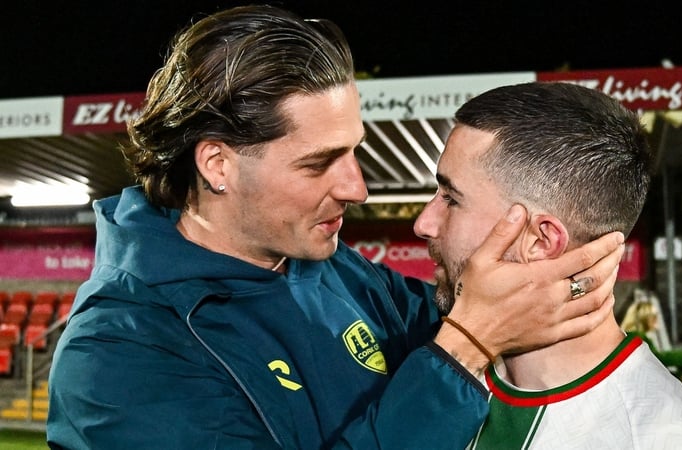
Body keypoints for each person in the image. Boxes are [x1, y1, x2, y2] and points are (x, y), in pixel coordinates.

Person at [45, 5, 625, 450]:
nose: (356, 188)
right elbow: (463, 336)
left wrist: (551, 285)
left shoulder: (330, 267)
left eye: (353, 152)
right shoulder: (120, 352)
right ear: (218, 165)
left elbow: (464, 311)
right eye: (319, 162)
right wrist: (466, 347)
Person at [413, 81, 682, 449]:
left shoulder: (668, 439)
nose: (423, 223)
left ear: (541, 241)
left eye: (451, 199)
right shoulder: (432, 370)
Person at [620, 295, 682, 384]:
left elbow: (654, 367)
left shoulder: (632, 337)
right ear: (645, 318)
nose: (657, 320)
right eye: (654, 316)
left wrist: (679, 376)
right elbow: (657, 359)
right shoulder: (637, 338)